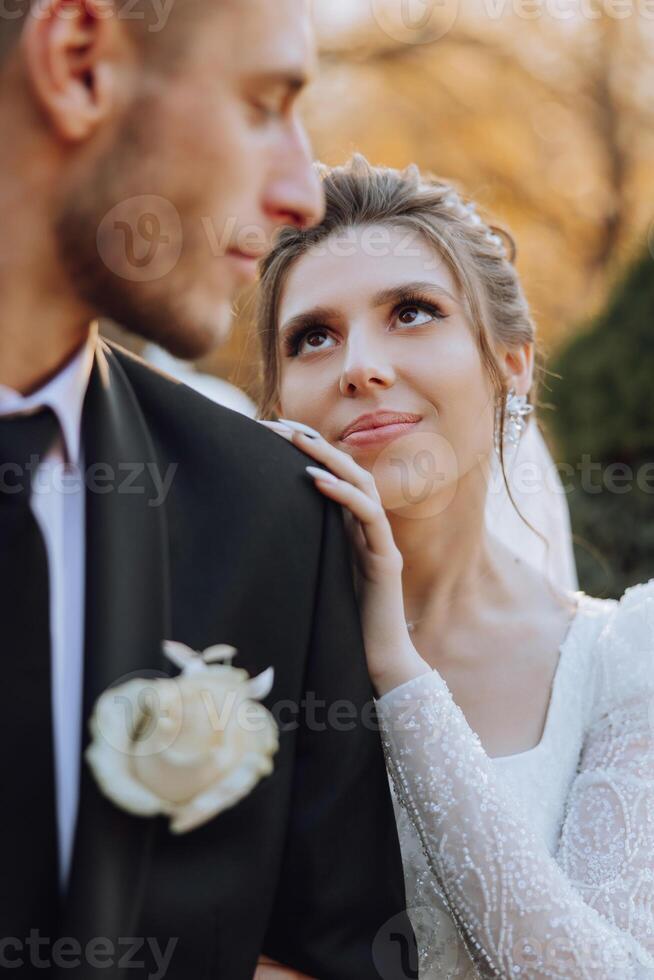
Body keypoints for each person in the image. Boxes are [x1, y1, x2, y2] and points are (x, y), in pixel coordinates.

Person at [0, 6, 413, 978]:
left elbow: (343, 951)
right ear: (79, 63)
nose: (301, 192)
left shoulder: (272, 515)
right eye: (265, 104)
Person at [257, 156, 654, 978]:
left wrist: (398, 672)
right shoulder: (225, 651)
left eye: (411, 312)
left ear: (510, 362)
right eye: (314, 336)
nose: (358, 365)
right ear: (278, 402)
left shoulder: (626, 659)